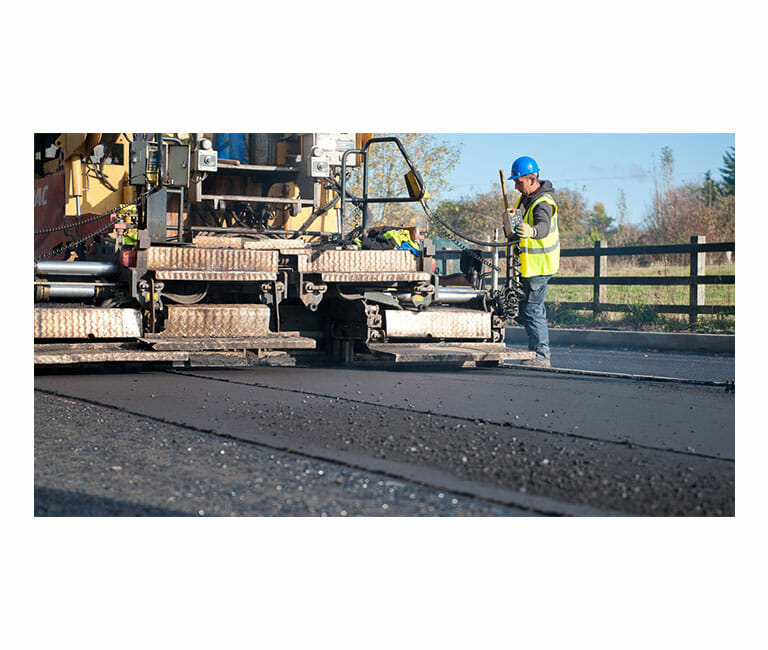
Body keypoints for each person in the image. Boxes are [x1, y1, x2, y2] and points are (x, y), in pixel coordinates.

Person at [505, 156, 560, 368]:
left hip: (540, 266)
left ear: (531, 179)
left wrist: (532, 231)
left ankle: (541, 355)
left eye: (518, 181)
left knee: (533, 310)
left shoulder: (543, 202)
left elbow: (543, 227)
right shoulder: (524, 199)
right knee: (524, 309)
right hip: (528, 266)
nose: (516, 186)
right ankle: (534, 352)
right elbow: (518, 229)